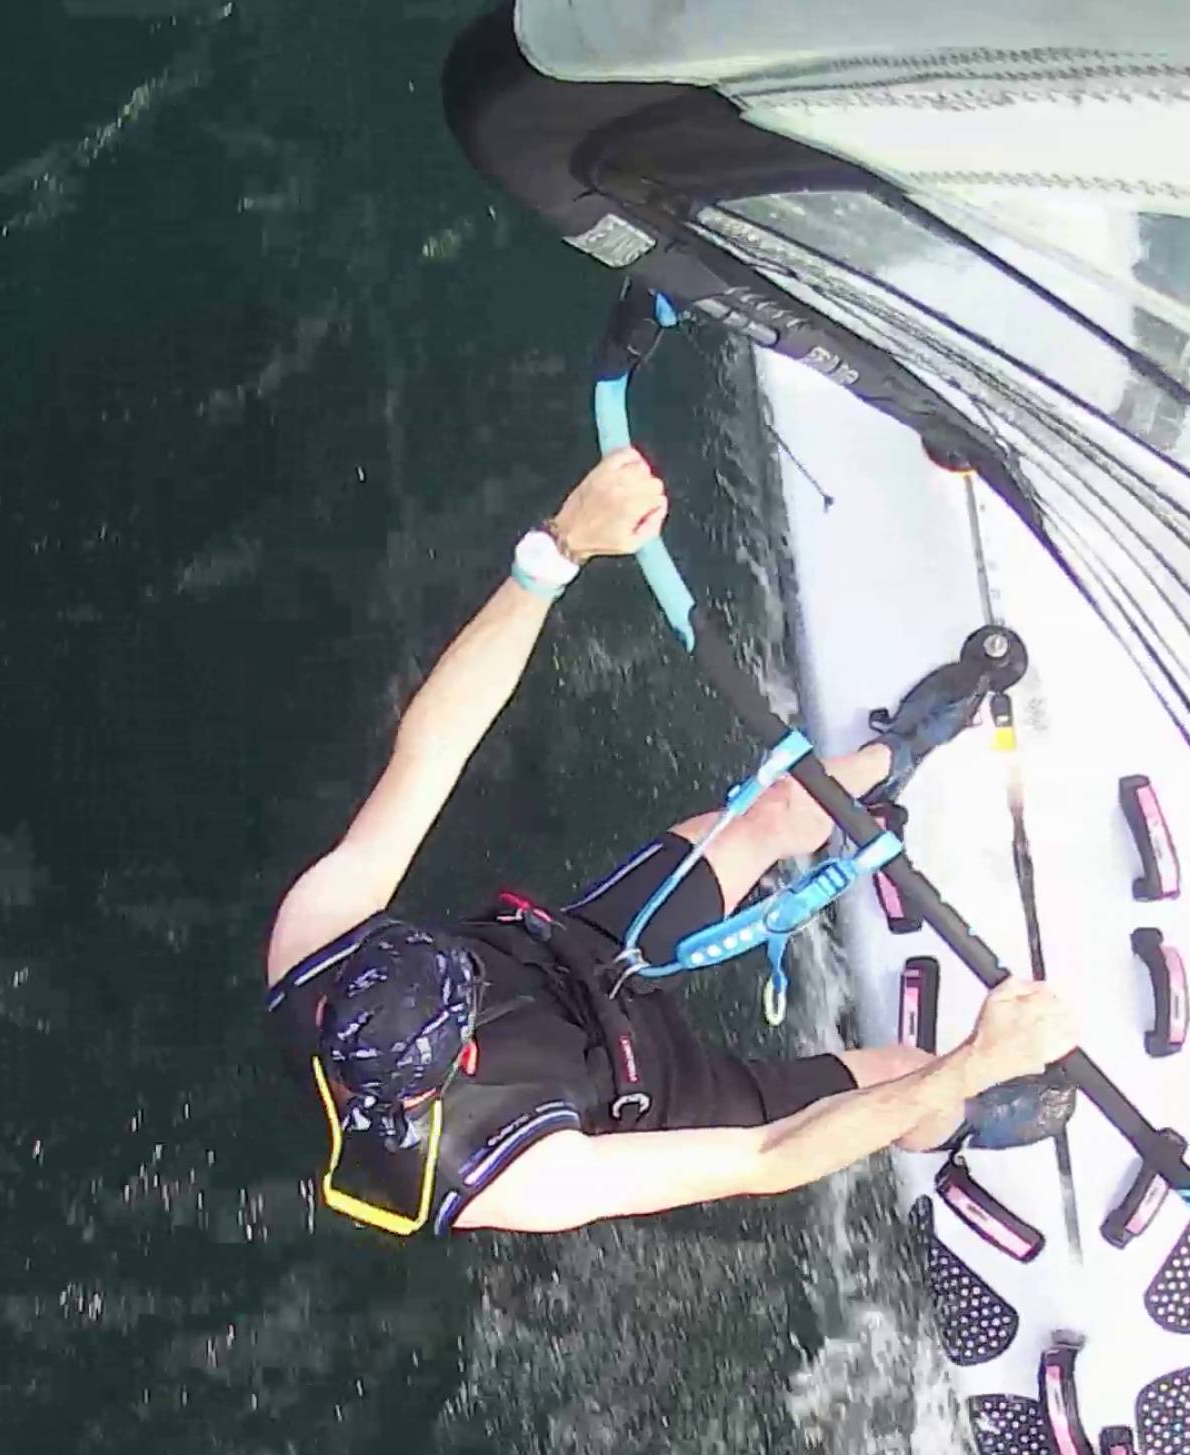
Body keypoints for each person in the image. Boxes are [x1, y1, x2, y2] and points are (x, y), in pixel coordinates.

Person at [263, 446, 1078, 1241]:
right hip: (650, 1088)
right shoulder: (515, 1178)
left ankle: (889, 757)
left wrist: (558, 550)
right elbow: (766, 1157)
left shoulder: (314, 947)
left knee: (779, 808)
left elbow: (433, 745)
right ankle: (961, 1118)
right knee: (903, 1076)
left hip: (576, 953)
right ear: (463, 1055)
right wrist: (971, 1063)